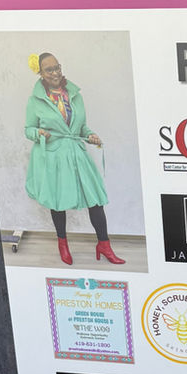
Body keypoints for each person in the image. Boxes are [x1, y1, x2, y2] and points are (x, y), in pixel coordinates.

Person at [25, 52, 124, 265]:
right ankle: (63, 244)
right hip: (54, 158)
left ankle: (104, 245)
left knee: (95, 199)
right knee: (57, 202)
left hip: (77, 154)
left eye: (57, 67)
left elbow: (81, 126)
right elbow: (28, 129)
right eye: (49, 69)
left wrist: (90, 135)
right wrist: (38, 133)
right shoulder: (35, 101)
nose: (55, 72)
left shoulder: (75, 95)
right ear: (40, 73)